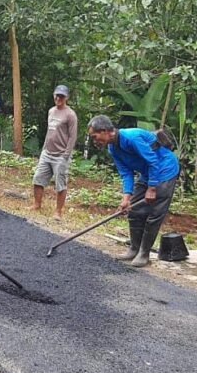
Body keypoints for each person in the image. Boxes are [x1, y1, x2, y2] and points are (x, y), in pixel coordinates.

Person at [88, 115, 180, 267]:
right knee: (134, 210)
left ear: (104, 131)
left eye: (95, 136)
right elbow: (126, 173)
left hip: (164, 170)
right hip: (147, 173)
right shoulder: (113, 148)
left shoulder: (131, 138)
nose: (94, 140)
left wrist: (152, 188)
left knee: (154, 213)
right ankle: (134, 248)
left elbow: (153, 161)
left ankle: (144, 253)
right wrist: (126, 198)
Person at [32, 85, 78, 219]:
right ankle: (37, 204)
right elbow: (49, 132)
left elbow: (72, 136)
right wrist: (44, 149)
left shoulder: (70, 115)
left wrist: (66, 155)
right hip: (47, 152)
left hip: (61, 155)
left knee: (60, 184)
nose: (58, 98)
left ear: (67, 98)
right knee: (38, 179)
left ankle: (58, 211)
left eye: (61, 96)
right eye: (57, 95)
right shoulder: (51, 111)